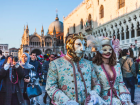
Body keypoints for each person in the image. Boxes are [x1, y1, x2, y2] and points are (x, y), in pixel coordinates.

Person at [46, 33, 106, 105]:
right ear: (70, 45)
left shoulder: (89, 64)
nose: (83, 49)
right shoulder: (55, 64)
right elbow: (50, 87)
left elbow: (96, 84)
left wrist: (93, 95)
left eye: (84, 45)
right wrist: (66, 101)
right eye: (78, 45)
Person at [86, 35, 133, 105]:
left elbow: (121, 83)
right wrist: (93, 95)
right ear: (99, 50)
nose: (108, 52)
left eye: (110, 49)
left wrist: (124, 96)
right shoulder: (93, 66)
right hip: (102, 101)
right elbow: (95, 84)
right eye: (104, 49)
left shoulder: (117, 65)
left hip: (118, 100)